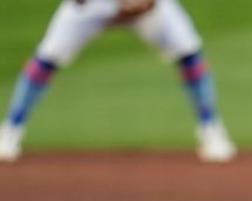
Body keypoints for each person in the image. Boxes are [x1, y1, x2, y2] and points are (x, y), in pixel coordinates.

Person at [0, 0, 235, 162]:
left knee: (189, 53)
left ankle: (211, 129)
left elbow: (148, 4)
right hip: (90, 8)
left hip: (146, 9)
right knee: (47, 57)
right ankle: (10, 130)